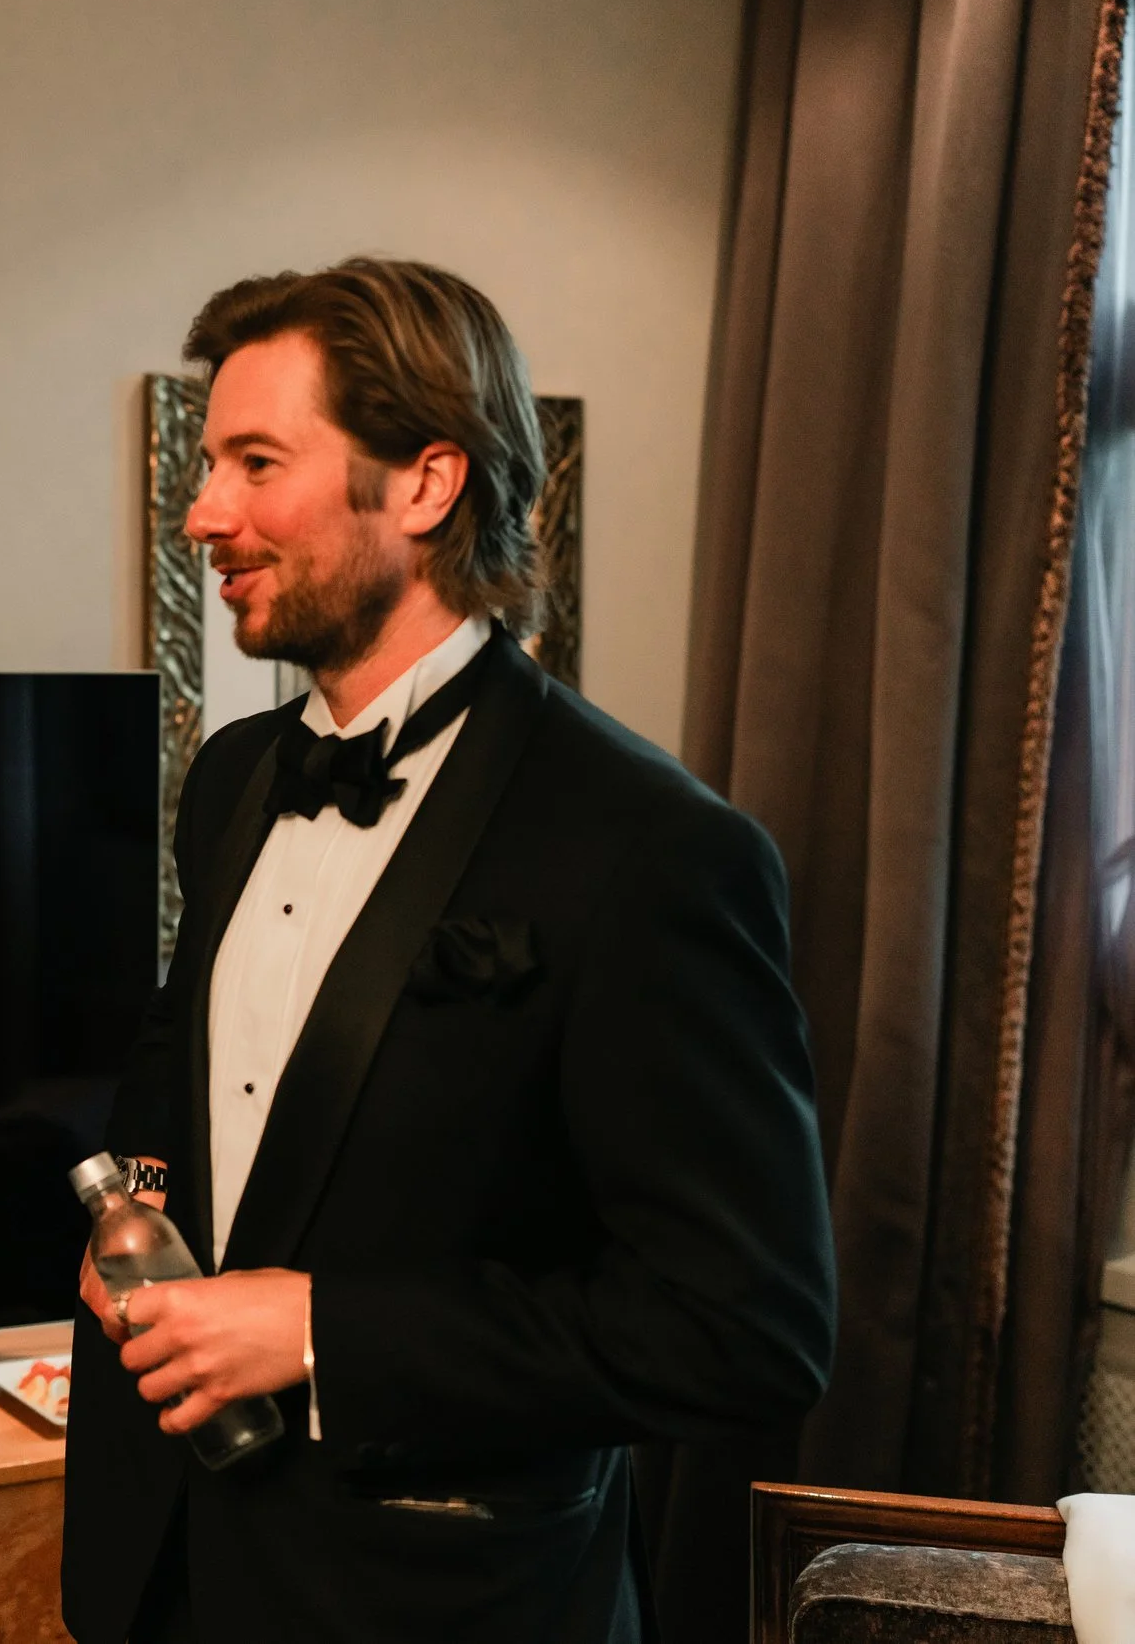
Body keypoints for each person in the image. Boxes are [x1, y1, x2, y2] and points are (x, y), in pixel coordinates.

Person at [60, 261, 836, 1643]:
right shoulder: (230, 776)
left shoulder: (653, 845)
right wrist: (140, 1204)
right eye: (206, 463)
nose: (203, 513)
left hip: (441, 1597)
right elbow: (181, 1060)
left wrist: (320, 1333)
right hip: (169, 1564)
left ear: (425, 483)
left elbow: (743, 1328)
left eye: (254, 463)